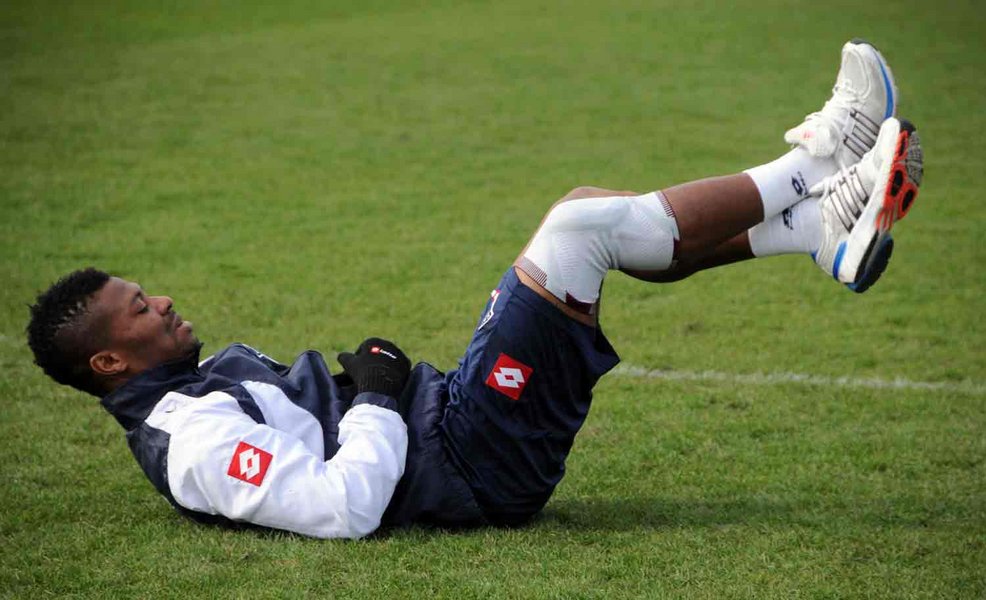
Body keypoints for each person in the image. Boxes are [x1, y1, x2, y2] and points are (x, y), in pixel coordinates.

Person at [26, 40, 923, 539]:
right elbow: (343, 509)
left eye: (147, 292)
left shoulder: (198, 384)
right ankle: (821, 162)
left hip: (457, 426)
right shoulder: (192, 445)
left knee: (584, 210)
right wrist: (376, 398)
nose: (162, 302)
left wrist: (379, 398)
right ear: (108, 361)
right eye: (139, 309)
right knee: (578, 232)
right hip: (471, 462)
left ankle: (815, 229)